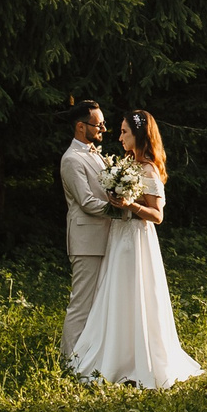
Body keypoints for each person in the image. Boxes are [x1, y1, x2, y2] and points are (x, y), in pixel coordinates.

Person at [64, 109, 204, 389]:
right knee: (114, 295)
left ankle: (137, 358)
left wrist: (129, 206)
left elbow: (157, 216)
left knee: (138, 294)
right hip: (118, 237)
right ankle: (109, 355)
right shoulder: (126, 163)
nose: (119, 136)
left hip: (138, 240)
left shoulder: (149, 168)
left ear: (138, 135)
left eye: (124, 131)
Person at [56, 101, 119, 370]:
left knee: (100, 303)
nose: (103, 128)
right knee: (81, 303)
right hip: (86, 242)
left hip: (107, 238)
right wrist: (124, 211)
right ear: (81, 127)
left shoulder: (97, 154)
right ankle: (68, 361)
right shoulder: (71, 159)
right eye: (98, 124)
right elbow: (86, 201)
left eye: (103, 123)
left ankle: (91, 357)